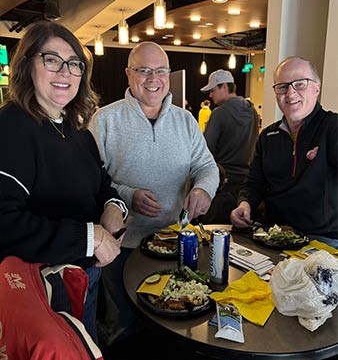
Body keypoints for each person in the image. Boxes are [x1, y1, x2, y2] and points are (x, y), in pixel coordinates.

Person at [0, 20, 128, 346]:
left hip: (85, 275)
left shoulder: (77, 130)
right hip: (41, 290)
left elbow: (102, 185)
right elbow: (5, 224)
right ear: (27, 65)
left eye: (74, 64)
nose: (65, 72)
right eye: (52, 60)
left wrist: (114, 207)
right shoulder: (11, 126)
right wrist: (93, 236)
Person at [89, 41, 219, 345]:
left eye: (160, 71)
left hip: (175, 242)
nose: (153, 78)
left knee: (174, 323)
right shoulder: (105, 120)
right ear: (128, 74)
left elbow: (207, 167)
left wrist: (202, 189)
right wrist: (128, 195)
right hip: (122, 247)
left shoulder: (185, 120)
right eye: (143, 70)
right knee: (124, 326)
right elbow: (92, 181)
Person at [230, 56, 338, 248]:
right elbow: (254, 183)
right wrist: (244, 204)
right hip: (273, 236)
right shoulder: (268, 136)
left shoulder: (332, 128)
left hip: (321, 241)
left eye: (300, 84)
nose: (290, 93)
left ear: (316, 87)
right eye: (282, 87)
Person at [200, 69, 259, 223]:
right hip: (246, 186)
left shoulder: (219, 113)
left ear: (224, 86)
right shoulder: (252, 111)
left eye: (213, 90)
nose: (210, 95)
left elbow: (206, 151)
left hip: (223, 183)